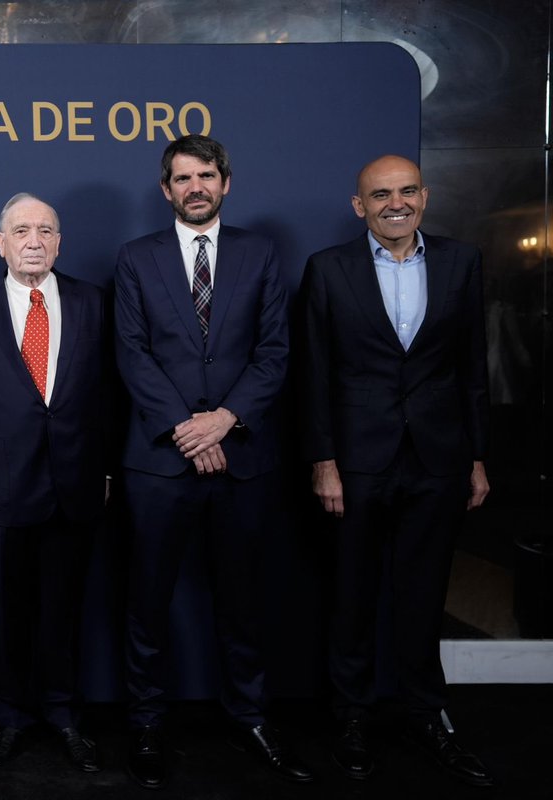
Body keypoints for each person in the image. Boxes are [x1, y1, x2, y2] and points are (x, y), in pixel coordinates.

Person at [113, 134, 309, 789]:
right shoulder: (136, 259)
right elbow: (133, 354)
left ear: (226, 182)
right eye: (182, 178)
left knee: (244, 601)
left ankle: (250, 716)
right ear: (165, 190)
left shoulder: (260, 253)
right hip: (159, 464)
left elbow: (275, 352)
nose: (195, 187)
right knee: (147, 604)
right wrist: (185, 429)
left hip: (243, 457)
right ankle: (144, 723)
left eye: (206, 175)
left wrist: (224, 420)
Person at [299, 155, 493, 787]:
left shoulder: (462, 263)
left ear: (425, 198)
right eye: (380, 195)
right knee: (351, 595)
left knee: (424, 595)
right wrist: (324, 461)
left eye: (407, 191)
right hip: (357, 462)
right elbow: (315, 375)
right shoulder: (327, 270)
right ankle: (351, 716)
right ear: (360, 206)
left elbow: (472, 370)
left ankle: (427, 714)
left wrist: (476, 456)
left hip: (438, 458)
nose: (395, 203)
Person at [0, 193, 110, 773]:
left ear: (59, 243)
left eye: (45, 230)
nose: (34, 240)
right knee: (4, 611)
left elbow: (109, 397)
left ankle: (64, 714)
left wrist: (106, 471)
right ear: (1, 243)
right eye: (21, 230)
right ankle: (10, 717)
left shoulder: (93, 303)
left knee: (65, 611)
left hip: (75, 487)